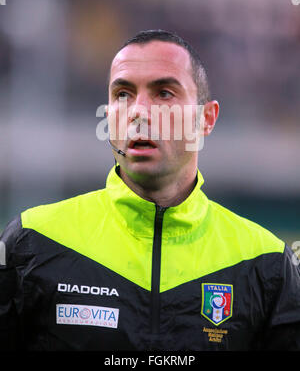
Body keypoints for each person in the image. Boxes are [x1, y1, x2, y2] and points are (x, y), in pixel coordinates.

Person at [0, 29, 299, 351]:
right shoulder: (33, 241)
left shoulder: (265, 261)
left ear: (206, 119)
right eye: (123, 94)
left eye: (165, 93)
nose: (139, 111)